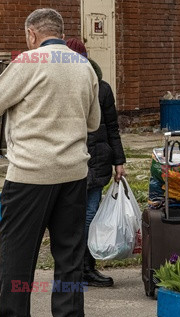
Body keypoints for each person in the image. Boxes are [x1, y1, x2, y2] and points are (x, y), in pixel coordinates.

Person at [0, 8, 101, 317]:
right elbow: (93, 122)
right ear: (59, 31)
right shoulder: (85, 67)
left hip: (31, 174)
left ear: (31, 33)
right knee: (69, 256)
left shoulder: (27, 61)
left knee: (18, 256)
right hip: (74, 174)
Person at [66, 38, 127, 287]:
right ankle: (72, 269)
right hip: (70, 162)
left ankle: (87, 268)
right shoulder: (59, 87)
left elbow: (112, 127)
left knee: (90, 214)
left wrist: (119, 160)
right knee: (70, 218)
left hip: (98, 160)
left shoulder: (102, 88)